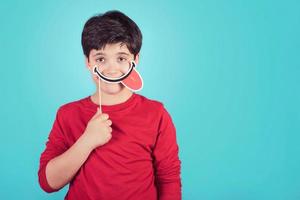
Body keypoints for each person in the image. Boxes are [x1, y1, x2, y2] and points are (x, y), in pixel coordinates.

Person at [38, 10, 182, 200]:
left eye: (121, 58)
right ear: (88, 62)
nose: (112, 68)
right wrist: (87, 141)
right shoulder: (68, 114)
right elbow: (48, 182)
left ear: (135, 60)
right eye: (100, 59)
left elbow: (168, 179)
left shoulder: (156, 114)